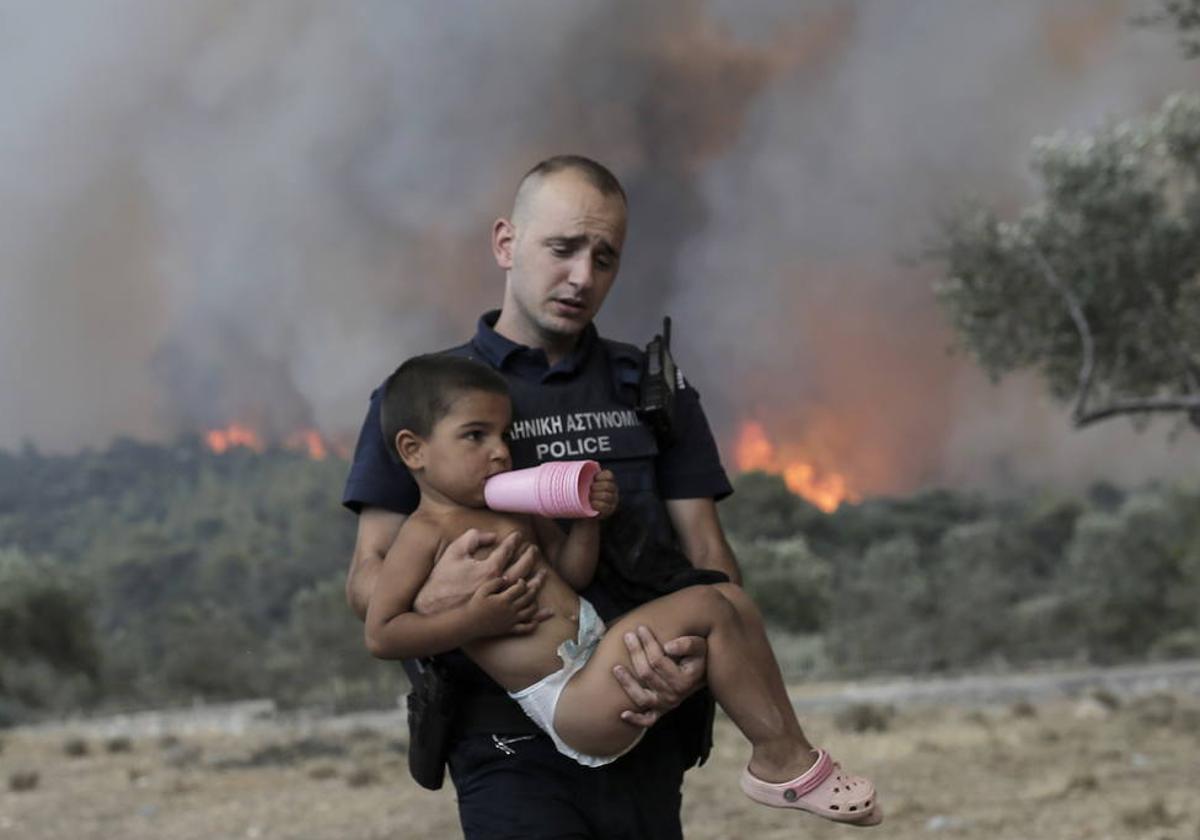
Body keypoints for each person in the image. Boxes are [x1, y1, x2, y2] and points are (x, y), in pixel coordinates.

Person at [343, 155, 745, 839]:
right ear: (506, 242)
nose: (583, 277)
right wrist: (451, 595)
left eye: (605, 258)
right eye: (562, 248)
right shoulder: (427, 397)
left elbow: (710, 555)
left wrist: (692, 665)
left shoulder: (650, 390)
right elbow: (366, 578)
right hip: (504, 734)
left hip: (640, 715)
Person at [365, 354, 881, 826]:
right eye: (476, 436)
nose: (500, 452)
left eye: (504, 435)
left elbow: (571, 577)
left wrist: (588, 520)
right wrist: (474, 622)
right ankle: (779, 761)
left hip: (596, 656)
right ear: (414, 450)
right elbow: (383, 634)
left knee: (729, 601)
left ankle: (786, 747)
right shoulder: (422, 534)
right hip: (566, 698)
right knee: (707, 604)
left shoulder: (514, 507)